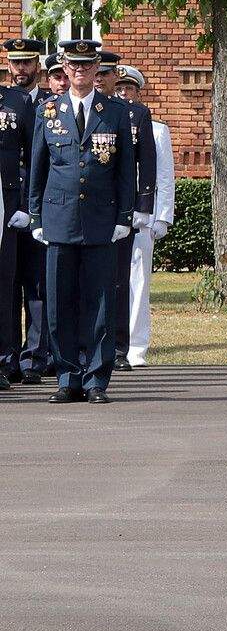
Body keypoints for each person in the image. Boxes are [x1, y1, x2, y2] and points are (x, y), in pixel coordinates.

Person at [29, 39, 136, 404]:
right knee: (59, 302)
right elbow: (38, 169)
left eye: (87, 65)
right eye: (73, 65)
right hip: (58, 218)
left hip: (100, 220)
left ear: (96, 70)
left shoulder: (116, 112)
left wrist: (124, 216)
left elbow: (125, 172)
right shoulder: (48, 111)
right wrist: (36, 215)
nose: (79, 71)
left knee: (101, 302)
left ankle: (95, 381)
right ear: (63, 67)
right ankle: (66, 377)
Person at [95, 52, 155, 371]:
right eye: (99, 73)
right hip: (87, 207)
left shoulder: (134, 114)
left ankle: (119, 347)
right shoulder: (76, 109)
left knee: (118, 280)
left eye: (108, 74)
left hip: (119, 208)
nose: (103, 79)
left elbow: (147, 163)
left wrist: (142, 208)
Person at [117, 66, 174, 367]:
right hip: (115, 215)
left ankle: (136, 347)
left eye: (129, 88)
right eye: (120, 88)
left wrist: (161, 216)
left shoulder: (155, 129)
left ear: (139, 92)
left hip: (143, 217)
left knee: (138, 283)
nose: (124, 93)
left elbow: (163, 176)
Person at [6, 40, 50, 386]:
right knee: (7, 283)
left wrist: (34, 208)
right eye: (15, 63)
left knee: (36, 284)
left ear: (38, 66)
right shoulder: (6, 103)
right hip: (7, 205)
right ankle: (8, 356)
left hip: (34, 206)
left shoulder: (50, 104)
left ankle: (34, 356)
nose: (21, 69)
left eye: (27, 63)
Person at [0, 41, 39, 390]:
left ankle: (4, 360)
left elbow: (33, 157)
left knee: (6, 284)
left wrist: (26, 206)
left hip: (6, 205)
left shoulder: (16, 102)